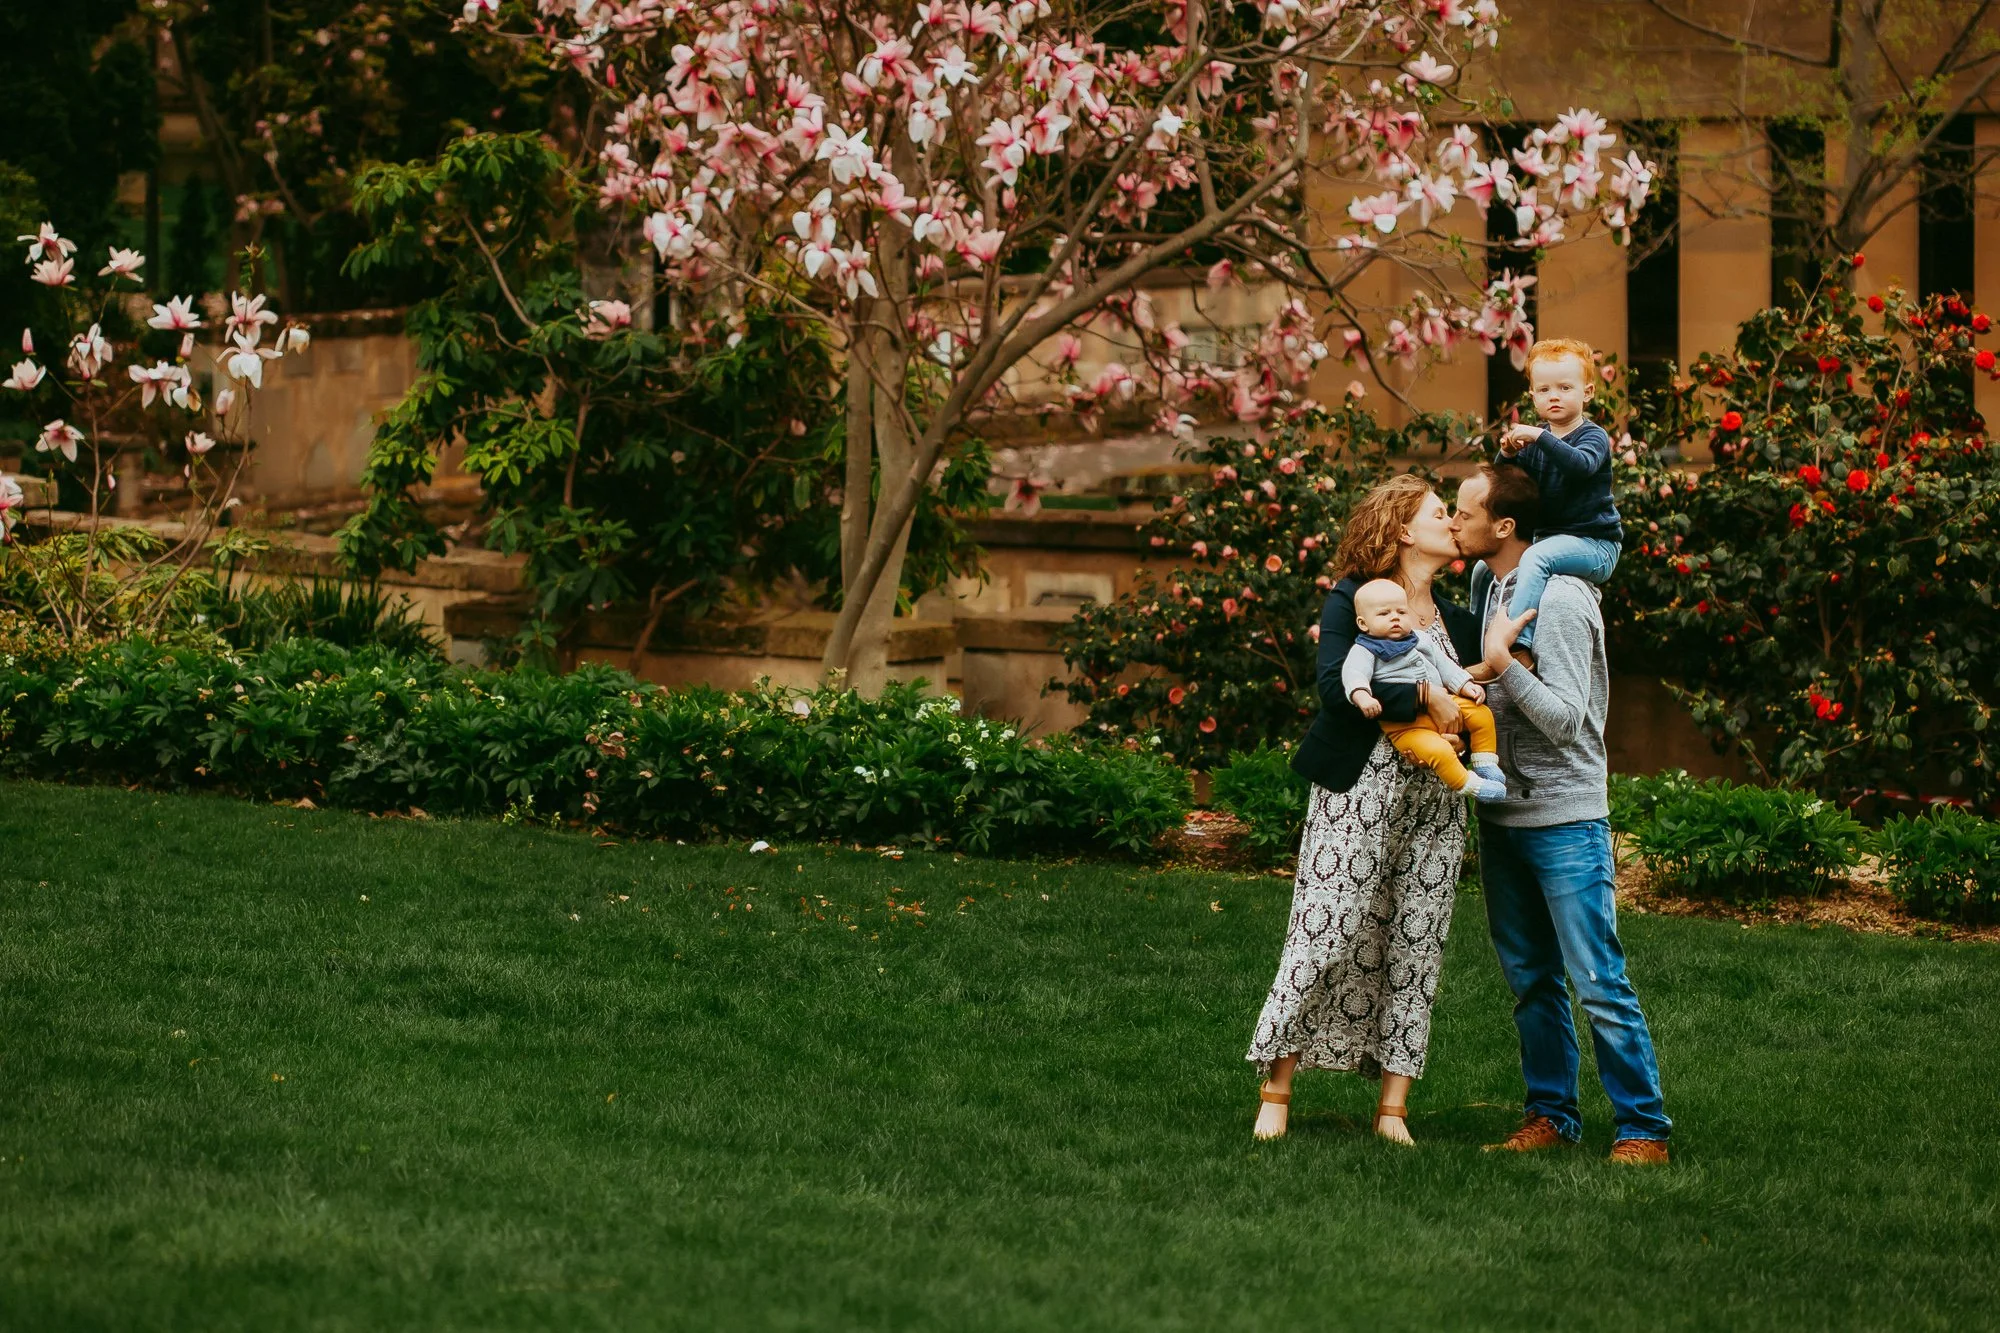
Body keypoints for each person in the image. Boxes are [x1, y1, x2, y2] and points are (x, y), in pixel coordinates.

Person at [1247, 475, 1485, 1146]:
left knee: (1417, 940)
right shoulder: (1353, 598)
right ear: (1404, 531)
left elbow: (1469, 698)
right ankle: (1276, 1088)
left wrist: (1463, 717)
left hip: (1436, 799)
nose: (1453, 523)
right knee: (1325, 929)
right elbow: (1334, 687)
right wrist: (1421, 700)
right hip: (1359, 788)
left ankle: (1392, 1110)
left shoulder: (1458, 617)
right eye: (1440, 514)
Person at [1450, 462, 1674, 1165]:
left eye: (1463, 513)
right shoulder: (1491, 586)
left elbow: (1568, 720)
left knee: (1598, 981)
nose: (1453, 523)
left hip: (1566, 820)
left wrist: (1502, 665)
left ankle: (1643, 1129)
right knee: (1531, 982)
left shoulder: (1564, 598)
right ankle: (1551, 1116)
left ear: (1504, 525)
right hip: (1503, 818)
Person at [1477, 337, 1623, 660]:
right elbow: (1505, 488)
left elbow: (1580, 466)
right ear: (1533, 396)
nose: (1554, 396)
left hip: (1594, 544)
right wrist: (1507, 454)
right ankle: (1474, 639)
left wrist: (1539, 436)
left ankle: (1517, 646)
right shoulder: (1535, 441)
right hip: (1547, 540)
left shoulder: (1593, 437)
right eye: (1544, 390)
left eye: (1565, 388)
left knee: (1536, 558)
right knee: (1482, 567)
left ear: (1587, 392)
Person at [1342, 578, 1507, 802]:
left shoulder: (1421, 639)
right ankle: (1471, 786)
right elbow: (1354, 674)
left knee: (1481, 714)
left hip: (1445, 702)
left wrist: (1465, 684)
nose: (1395, 618)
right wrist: (1362, 696)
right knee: (1439, 751)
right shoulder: (1365, 649)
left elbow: (1446, 666)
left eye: (1401, 612)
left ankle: (1485, 762)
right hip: (1408, 727)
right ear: (1363, 624)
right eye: (1384, 614)